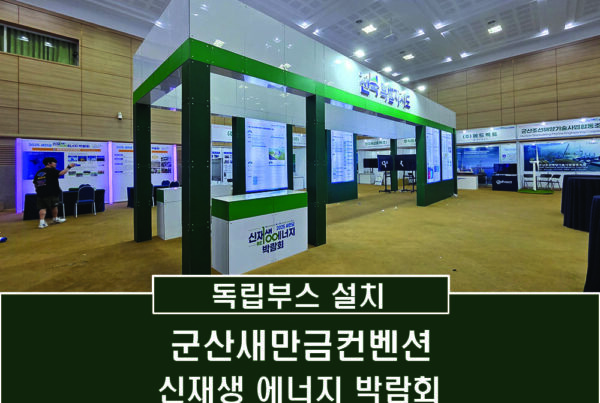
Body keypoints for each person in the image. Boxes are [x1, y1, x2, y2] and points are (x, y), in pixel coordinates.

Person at [33, 157, 76, 229]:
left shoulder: (39, 172)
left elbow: (35, 183)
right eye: (54, 162)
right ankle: (54, 219)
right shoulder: (52, 170)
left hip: (41, 193)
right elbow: (62, 173)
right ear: (49, 163)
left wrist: (37, 190)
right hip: (51, 193)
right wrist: (69, 167)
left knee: (43, 207)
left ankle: (43, 222)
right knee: (54, 206)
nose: (55, 164)